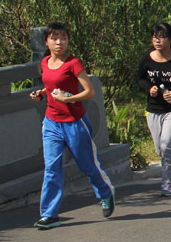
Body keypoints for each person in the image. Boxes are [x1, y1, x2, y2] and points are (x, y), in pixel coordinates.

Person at [30, 22, 115, 230]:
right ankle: (49, 214)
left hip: (74, 122)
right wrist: (41, 93)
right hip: (51, 122)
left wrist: (69, 99)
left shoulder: (73, 63)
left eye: (64, 38)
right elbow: (50, 86)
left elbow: (89, 92)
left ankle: (106, 193)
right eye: (55, 38)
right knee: (51, 167)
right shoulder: (44, 62)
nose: (59, 42)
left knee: (88, 165)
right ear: (46, 41)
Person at [136, 22, 171, 197]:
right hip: (153, 109)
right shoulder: (147, 58)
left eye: (162, 36)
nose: (158, 40)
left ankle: (167, 183)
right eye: (155, 36)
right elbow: (140, 78)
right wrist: (149, 88)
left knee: (166, 145)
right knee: (161, 149)